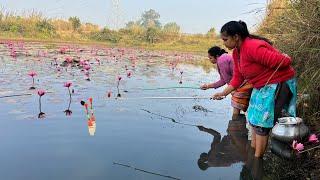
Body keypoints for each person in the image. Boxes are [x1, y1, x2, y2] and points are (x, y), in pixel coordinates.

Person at [212, 20, 297, 158]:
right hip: (261, 86)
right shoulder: (237, 53)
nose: (224, 43)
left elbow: (283, 61)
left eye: (225, 39)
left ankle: (257, 159)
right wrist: (222, 93)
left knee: (262, 124)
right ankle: (252, 155)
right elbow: (237, 78)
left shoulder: (252, 47)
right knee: (253, 119)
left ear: (236, 37)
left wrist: (285, 57)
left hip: (277, 83)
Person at [200, 46, 252, 119]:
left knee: (236, 107)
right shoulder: (225, 57)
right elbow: (224, 80)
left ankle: (235, 126)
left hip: (243, 84)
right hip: (246, 82)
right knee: (241, 106)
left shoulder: (222, 60)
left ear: (217, 56)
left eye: (211, 58)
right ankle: (240, 124)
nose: (210, 60)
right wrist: (208, 86)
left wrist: (224, 94)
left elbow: (227, 80)